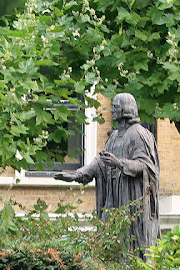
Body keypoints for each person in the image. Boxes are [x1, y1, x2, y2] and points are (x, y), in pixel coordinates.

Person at [55, 93, 160, 256]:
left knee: (130, 241)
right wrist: (77, 174)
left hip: (130, 197)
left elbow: (146, 165)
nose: (111, 110)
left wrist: (119, 163)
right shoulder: (113, 138)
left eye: (116, 107)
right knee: (107, 234)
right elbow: (100, 162)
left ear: (126, 109)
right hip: (112, 196)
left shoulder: (139, 134)